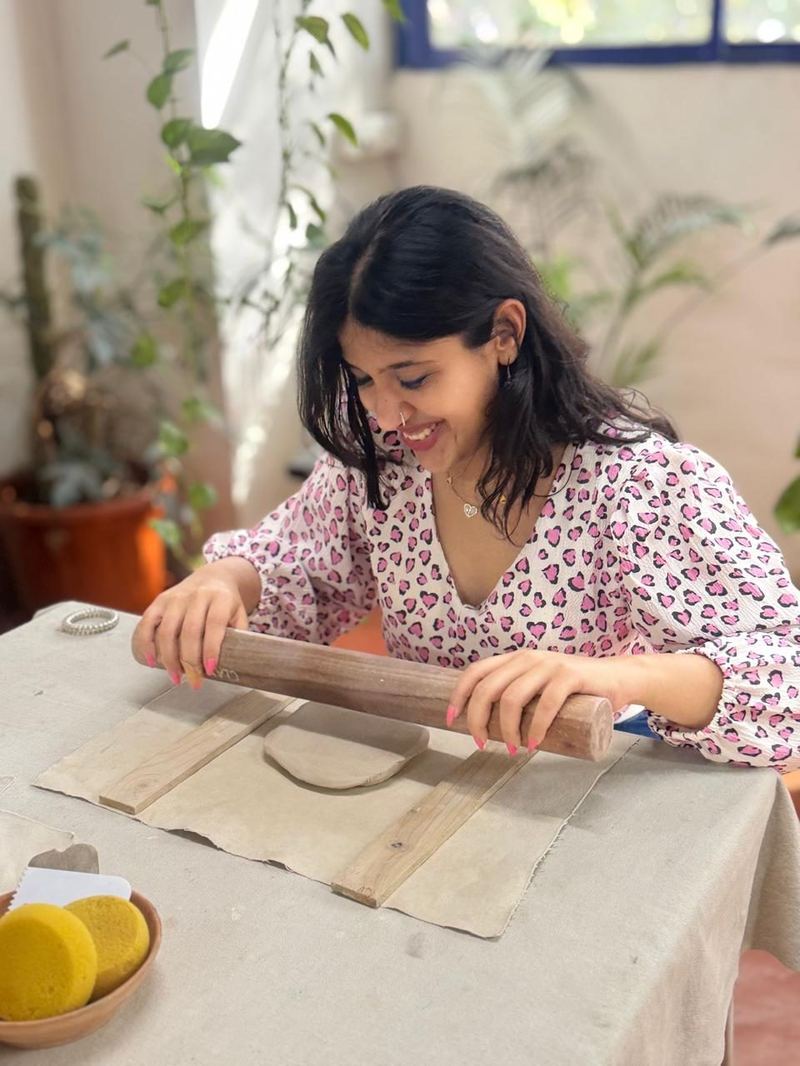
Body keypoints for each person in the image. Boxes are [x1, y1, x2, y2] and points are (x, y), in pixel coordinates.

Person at [132, 185, 800, 772]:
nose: (388, 414)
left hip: (582, 804)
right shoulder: (383, 465)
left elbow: (785, 683)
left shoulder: (644, 485)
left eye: (414, 377)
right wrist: (223, 582)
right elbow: (299, 568)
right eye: (364, 380)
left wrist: (607, 678)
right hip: (421, 788)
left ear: (504, 333)